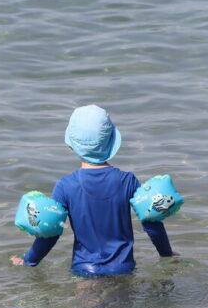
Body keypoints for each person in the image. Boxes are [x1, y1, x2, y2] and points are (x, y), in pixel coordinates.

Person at [10, 105, 174, 277]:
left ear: (70, 145)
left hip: (85, 270)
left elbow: (50, 232)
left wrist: (29, 261)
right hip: (123, 269)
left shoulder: (65, 186)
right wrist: (167, 255)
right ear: (112, 142)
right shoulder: (127, 180)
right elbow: (151, 221)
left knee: (87, 303)